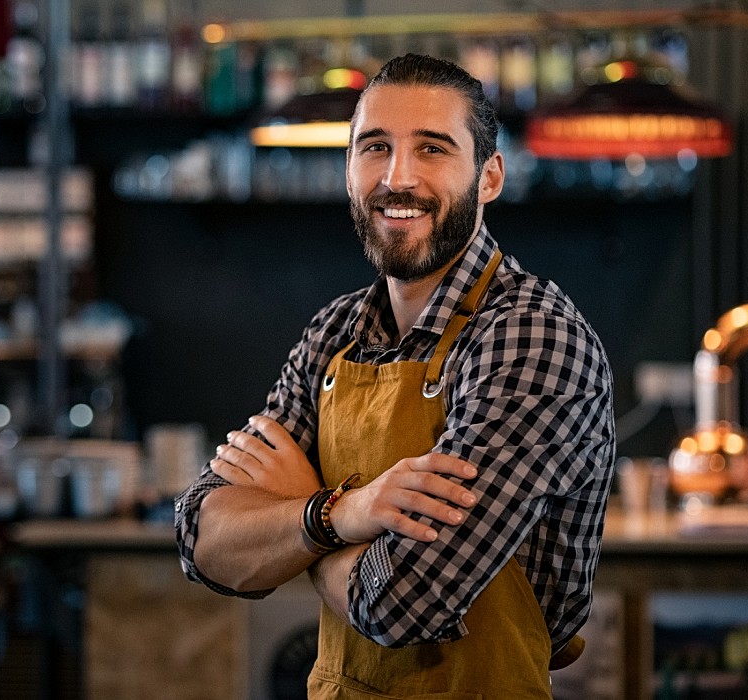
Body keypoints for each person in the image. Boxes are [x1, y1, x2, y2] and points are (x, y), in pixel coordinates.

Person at [175, 53, 616, 698]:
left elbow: (406, 602)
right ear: (349, 169)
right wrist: (342, 513)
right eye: (374, 147)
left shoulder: (530, 337)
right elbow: (202, 540)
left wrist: (297, 526)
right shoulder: (335, 333)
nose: (397, 177)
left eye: (432, 149)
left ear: (489, 176)